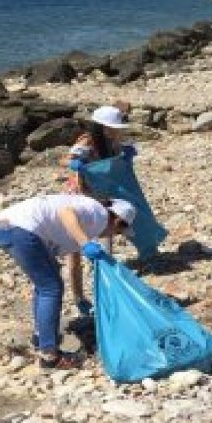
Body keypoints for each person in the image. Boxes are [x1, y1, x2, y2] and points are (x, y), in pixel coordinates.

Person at [0, 195, 136, 369]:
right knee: (50, 288)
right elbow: (66, 214)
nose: (113, 235)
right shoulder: (98, 213)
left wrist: (79, 295)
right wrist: (86, 243)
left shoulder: (89, 220)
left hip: (4, 227)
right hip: (20, 229)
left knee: (46, 282)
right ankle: (49, 356)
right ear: (117, 220)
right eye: (118, 232)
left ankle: (41, 338)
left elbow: (72, 260)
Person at [63, 104, 137, 315]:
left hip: (102, 193)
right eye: (114, 127)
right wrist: (74, 164)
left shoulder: (115, 141)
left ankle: (106, 282)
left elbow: (119, 157)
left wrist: (127, 155)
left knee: (107, 235)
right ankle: (79, 297)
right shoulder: (86, 141)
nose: (118, 130)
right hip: (78, 195)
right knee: (74, 249)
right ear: (103, 127)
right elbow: (67, 159)